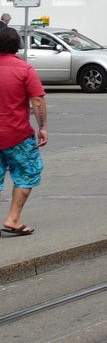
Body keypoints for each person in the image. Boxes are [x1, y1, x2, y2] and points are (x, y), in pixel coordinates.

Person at [0, 26, 47, 236]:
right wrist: (42, 127)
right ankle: (13, 218)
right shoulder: (24, 69)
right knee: (28, 172)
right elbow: (37, 100)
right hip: (17, 135)